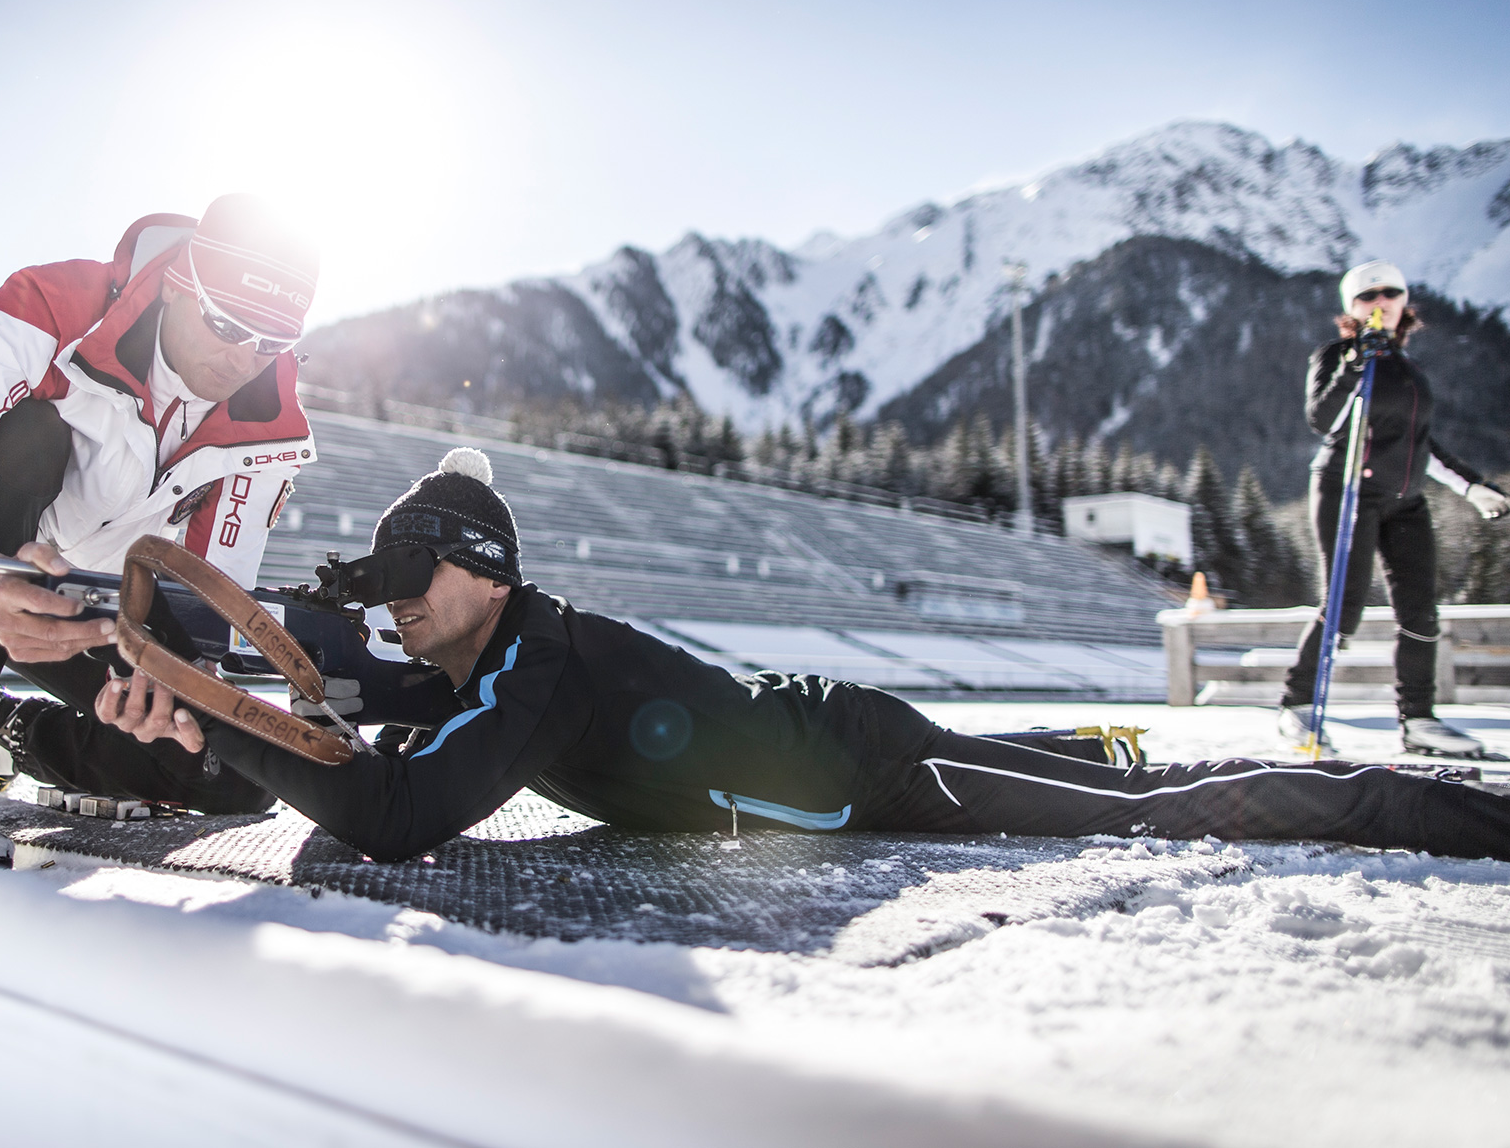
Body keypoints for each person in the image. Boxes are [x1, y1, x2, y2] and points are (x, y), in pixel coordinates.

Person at [97, 447, 1510, 864]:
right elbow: (317, 663)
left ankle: (1428, 804)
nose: (395, 604)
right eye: (387, 577)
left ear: (489, 573)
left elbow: (398, 813)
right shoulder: (468, 659)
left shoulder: (539, 661)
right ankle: (1079, 743)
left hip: (863, 765)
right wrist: (175, 658)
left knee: (1161, 811)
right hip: (839, 727)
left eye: (415, 574)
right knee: (1077, 767)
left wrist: (223, 725)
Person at [0, 194, 321, 861]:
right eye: (227, 325)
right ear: (177, 284)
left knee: (234, 769)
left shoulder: (269, 424)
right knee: (33, 434)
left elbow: (211, 597)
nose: (242, 359)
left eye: (272, 342)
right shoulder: (52, 306)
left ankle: (15, 732)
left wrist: (179, 675)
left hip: (90, 605)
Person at [1274, 261, 1508, 757]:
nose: (1379, 301)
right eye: (1366, 295)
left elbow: (1420, 444)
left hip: (1406, 500)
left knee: (1421, 611)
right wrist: (1357, 362)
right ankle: (1297, 708)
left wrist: (1473, 487)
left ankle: (1418, 720)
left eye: (1389, 292)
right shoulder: (1337, 355)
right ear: (1351, 308)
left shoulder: (1408, 368)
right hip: (1346, 488)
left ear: (1404, 302)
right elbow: (1323, 419)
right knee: (1343, 604)